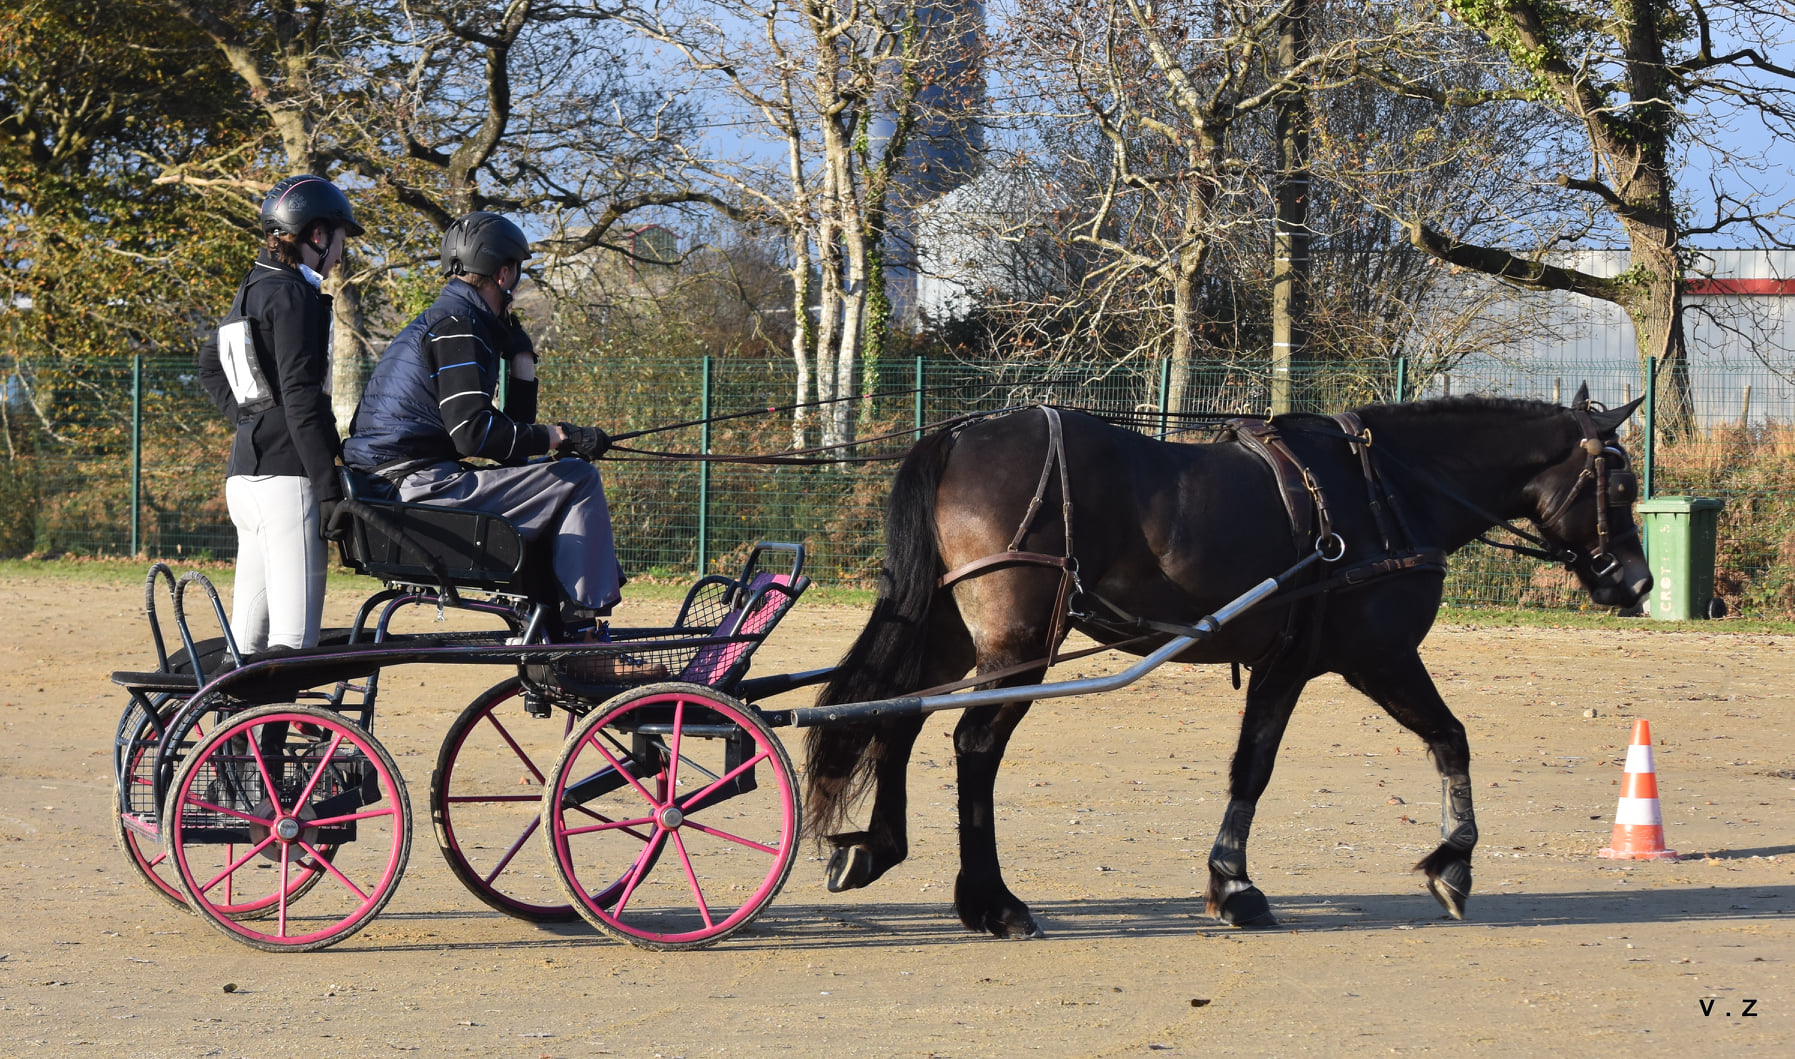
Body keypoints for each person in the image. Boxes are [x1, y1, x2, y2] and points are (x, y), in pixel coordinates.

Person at [343, 210, 625, 637]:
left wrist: (521, 360)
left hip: (400, 485)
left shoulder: (446, 321)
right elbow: (474, 433)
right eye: (517, 273)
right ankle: (584, 631)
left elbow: (513, 442)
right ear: (504, 272)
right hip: (417, 491)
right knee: (579, 477)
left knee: (552, 475)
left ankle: (554, 625)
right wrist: (560, 436)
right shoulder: (459, 328)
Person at [198, 174, 362, 654]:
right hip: (287, 482)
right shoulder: (292, 294)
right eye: (339, 239)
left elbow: (210, 364)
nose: (339, 253)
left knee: (246, 640)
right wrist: (328, 485)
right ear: (316, 234)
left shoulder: (252, 285)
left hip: (244, 479)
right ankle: (269, 731)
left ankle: (233, 729)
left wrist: (251, 419)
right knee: (295, 640)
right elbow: (300, 395)